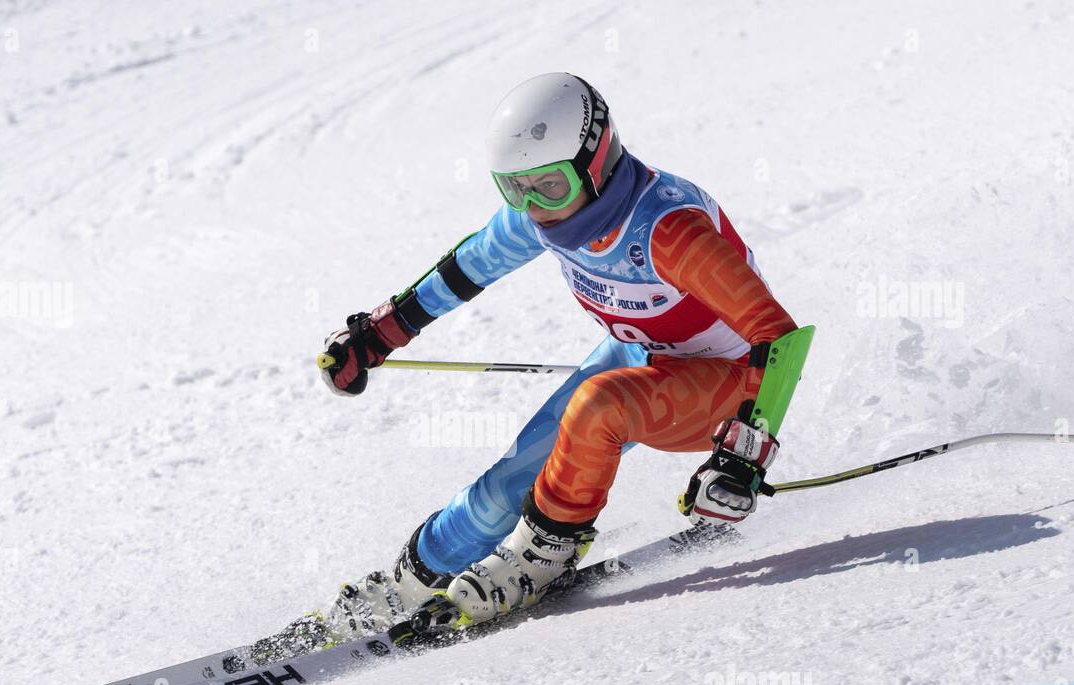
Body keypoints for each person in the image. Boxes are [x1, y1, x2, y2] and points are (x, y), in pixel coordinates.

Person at [318, 72, 813, 635]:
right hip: (646, 355)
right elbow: (469, 267)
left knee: (598, 404)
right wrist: (381, 333)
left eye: (549, 186)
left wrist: (743, 457)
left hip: (727, 384)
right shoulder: (547, 214)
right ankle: (409, 583)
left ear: (595, 162)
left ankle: (542, 554)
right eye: (514, 189)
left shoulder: (667, 231)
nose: (534, 206)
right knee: (505, 486)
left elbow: (777, 337)